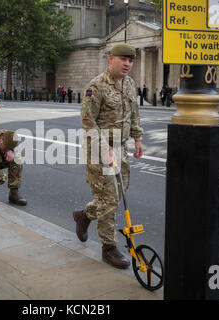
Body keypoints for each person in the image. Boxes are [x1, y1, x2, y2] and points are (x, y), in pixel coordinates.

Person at [73, 43, 144, 269]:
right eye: (123, 59)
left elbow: (134, 113)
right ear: (111, 59)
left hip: (121, 148)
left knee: (116, 195)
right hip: (98, 149)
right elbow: (88, 121)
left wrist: (138, 138)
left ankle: (84, 215)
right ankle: (109, 247)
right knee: (110, 198)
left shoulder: (130, 84)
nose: (127, 64)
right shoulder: (97, 86)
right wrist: (105, 149)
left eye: (130, 60)